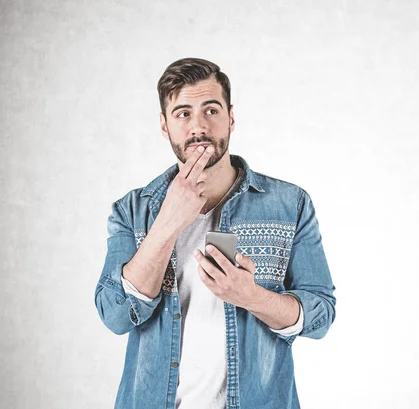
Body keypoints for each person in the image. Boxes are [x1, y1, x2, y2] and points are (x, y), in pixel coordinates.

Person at [94, 58, 336, 409]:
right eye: (182, 114)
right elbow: (115, 315)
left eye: (211, 110)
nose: (198, 126)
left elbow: (321, 315)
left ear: (231, 117)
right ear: (164, 126)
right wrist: (166, 223)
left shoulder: (289, 204)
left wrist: (252, 296)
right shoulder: (132, 211)